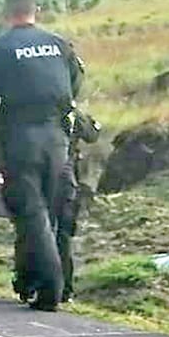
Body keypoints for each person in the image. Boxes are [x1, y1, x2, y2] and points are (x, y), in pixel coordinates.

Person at [0, 0, 83, 311]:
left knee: (31, 213)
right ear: (37, 11)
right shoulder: (60, 45)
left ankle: (49, 288)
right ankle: (52, 285)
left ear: (6, 14)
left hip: (20, 138)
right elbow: (75, 86)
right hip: (58, 140)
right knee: (56, 210)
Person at [55, 107, 101, 302]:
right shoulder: (71, 110)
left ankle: (32, 283)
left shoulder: (31, 106)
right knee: (63, 236)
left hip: (40, 177)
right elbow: (93, 134)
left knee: (36, 230)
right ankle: (65, 289)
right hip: (65, 180)